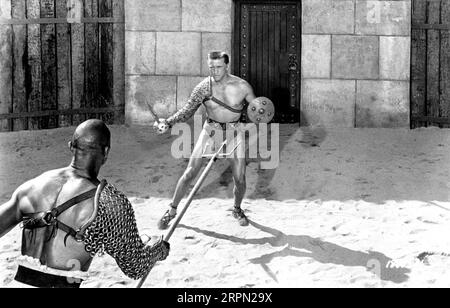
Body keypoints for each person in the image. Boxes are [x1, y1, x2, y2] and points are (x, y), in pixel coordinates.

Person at [0, 119, 170, 288]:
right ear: (106, 151)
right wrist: (157, 249)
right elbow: (135, 266)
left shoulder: (31, 186)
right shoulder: (107, 202)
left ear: (70, 146)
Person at [155, 51, 257, 229]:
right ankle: (171, 210)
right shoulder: (204, 87)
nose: (215, 71)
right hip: (211, 130)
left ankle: (237, 209)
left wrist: (246, 124)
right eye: (211, 67)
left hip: (233, 133)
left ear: (226, 65)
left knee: (240, 178)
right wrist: (168, 122)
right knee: (189, 173)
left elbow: (258, 110)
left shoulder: (242, 86)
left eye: (218, 67)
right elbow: (187, 111)